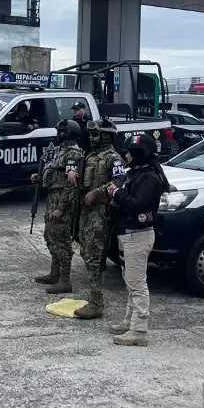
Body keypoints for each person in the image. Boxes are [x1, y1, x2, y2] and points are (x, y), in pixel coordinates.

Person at [106, 133, 168, 347]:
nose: (126, 155)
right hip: (128, 234)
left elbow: (137, 204)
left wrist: (117, 194)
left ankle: (139, 329)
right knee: (130, 280)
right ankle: (130, 321)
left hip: (138, 235)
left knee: (137, 284)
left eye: (131, 152)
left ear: (141, 154)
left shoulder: (149, 178)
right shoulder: (137, 174)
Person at [67, 118, 125, 320]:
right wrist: (73, 172)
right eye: (90, 134)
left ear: (106, 136)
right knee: (85, 250)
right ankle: (94, 296)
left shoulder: (113, 158)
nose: (91, 138)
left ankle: (96, 302)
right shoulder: (91, 154)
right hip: (84, 211)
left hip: (100, 212)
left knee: (95, 256)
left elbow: (119, 181)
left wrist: (97, 193)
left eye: (95, 134)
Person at [30, 120, 85, 294]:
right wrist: (40, 178)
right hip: (53, 197)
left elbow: (71, 184)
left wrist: (61, 208)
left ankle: (65, 280)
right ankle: (55, 273)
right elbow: (56, 173)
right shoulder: (61, 151)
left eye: (61, 132)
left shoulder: (73, 154)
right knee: (50, 236)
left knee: (62, 240)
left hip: (62, 200)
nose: (58, 134)